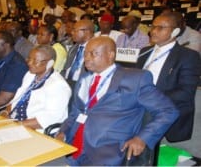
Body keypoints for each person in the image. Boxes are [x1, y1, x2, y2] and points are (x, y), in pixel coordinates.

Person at [55, 36, 179, 166]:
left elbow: (168, 111)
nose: (87, 57)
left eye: (94, 53)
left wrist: (142, 138)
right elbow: (76, 112)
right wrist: (63, 132)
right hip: (72, 146)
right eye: (86, 53)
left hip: (106, 152)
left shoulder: (135, 79)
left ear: (110, 55)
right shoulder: (84, 78)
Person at [136, 12, 201, 164]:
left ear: (175, 32)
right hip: (137, 106)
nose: (153, 31)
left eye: (160, 27)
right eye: (153, 26)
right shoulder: (143, 52)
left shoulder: (187, 56)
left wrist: (149, 99)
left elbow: (185, 93)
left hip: (162, 109)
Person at [5, 45, 71, 133]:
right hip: (15, 123)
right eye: (29, 58)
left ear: (50, 63)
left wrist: (18, 125)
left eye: (35, 61)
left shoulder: (58, 85)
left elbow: (51, 117)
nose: (29, 63)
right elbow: (18, 98)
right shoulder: (30, 74)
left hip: (36, 130)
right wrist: (5, 113)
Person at [61, 19, 94, 88]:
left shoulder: (95, 49)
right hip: (65, 82)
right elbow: (65, 69)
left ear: (87, 32)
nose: (72, 33)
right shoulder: (74, 48)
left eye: (75, 30)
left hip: (82, 85)